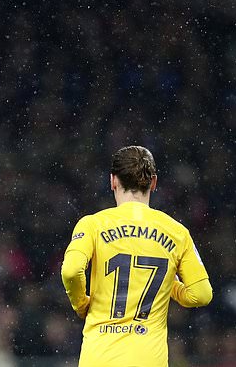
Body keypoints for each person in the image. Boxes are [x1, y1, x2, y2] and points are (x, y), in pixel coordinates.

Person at [61, 145, 213, 367]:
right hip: (148, 359)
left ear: (113, 181)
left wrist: (81, 303)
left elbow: (70, 271)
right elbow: (201, 294)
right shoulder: (177, 232)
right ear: (153, 182)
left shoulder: (92, 224)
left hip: (100, 358)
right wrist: (171, 284)